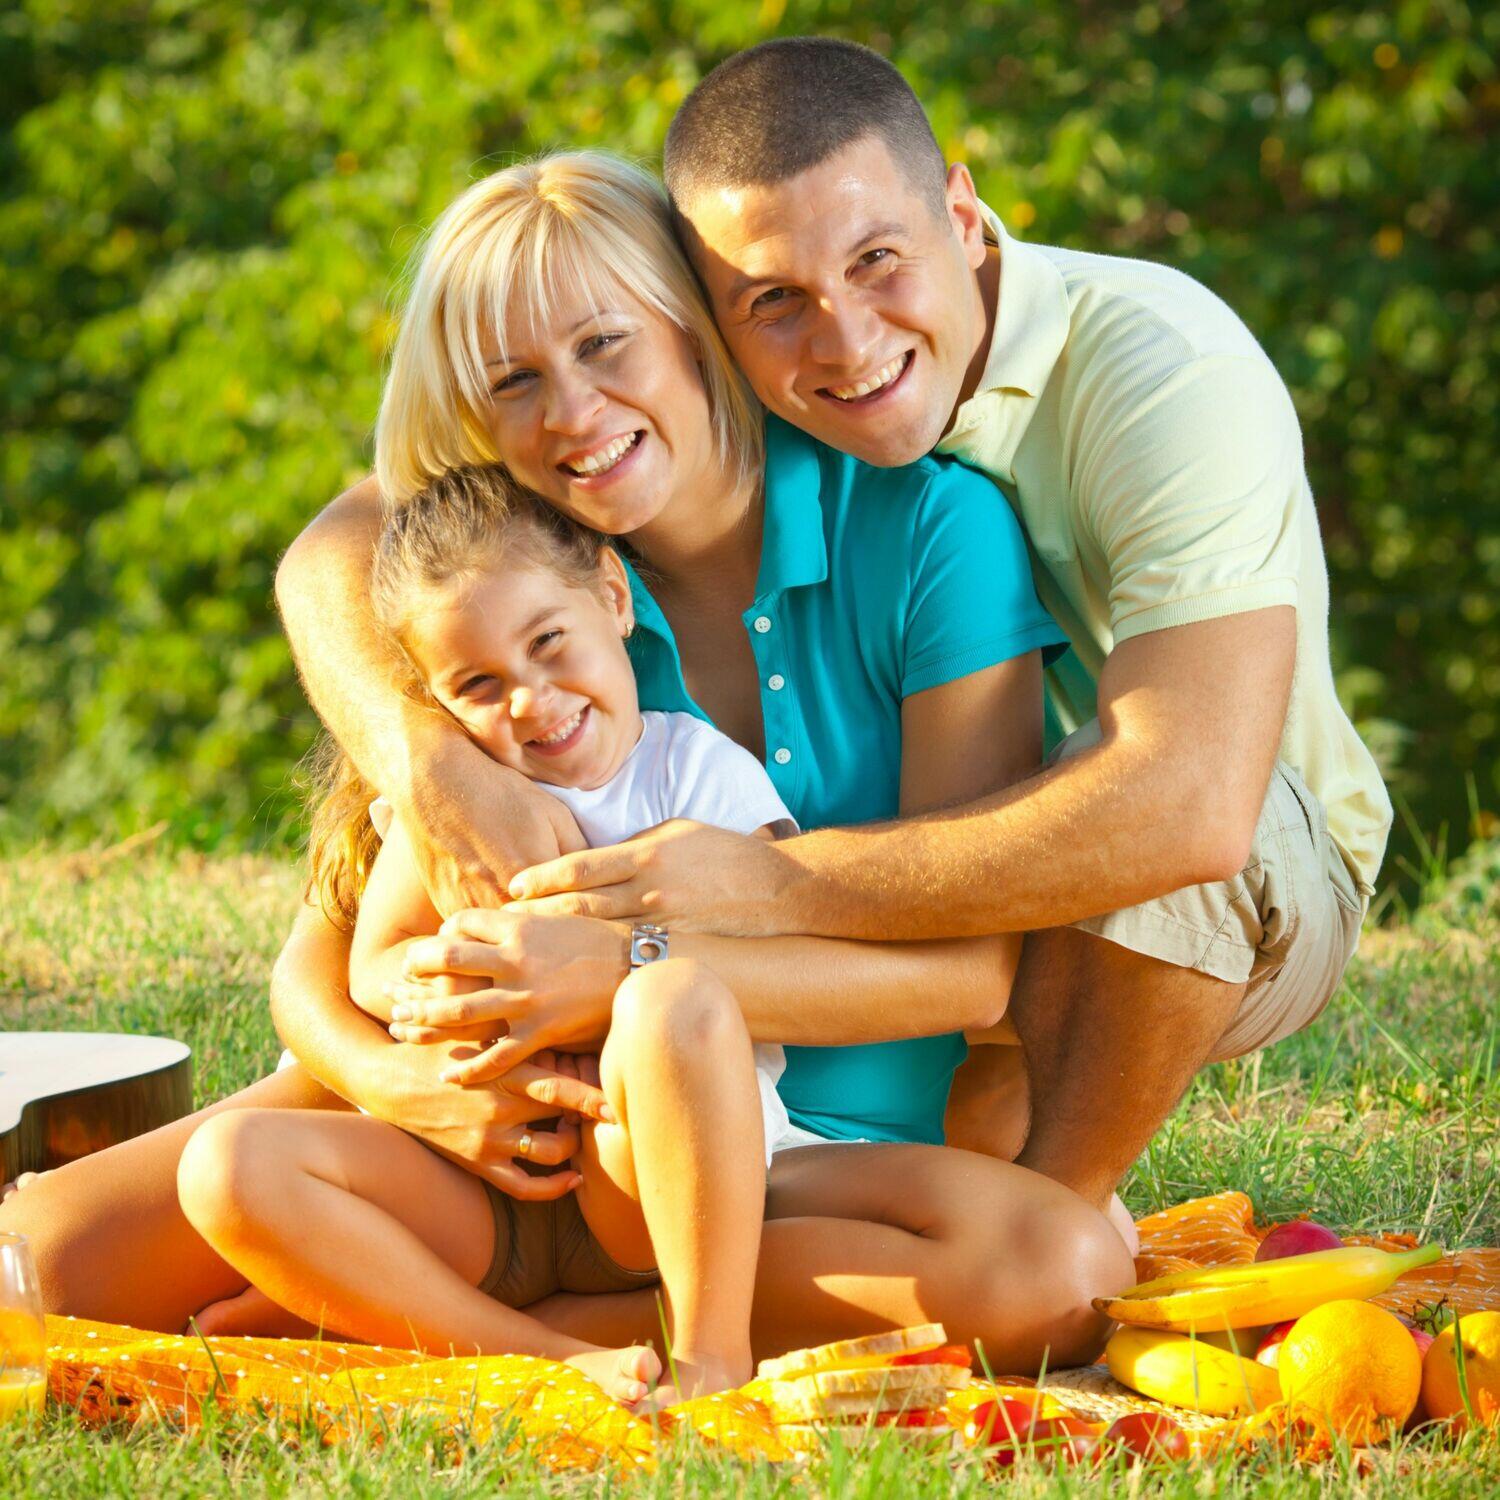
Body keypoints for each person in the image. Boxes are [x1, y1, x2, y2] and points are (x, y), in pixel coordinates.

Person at [3, 150, 1132, 1374]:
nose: (574, 413)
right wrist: (398, 1075)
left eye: (605, 345)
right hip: (493, 1146)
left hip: (796, 1153)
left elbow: (967, 973)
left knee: (1057, 1277)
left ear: (694, 328)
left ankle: (481, 1333)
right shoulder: (516, 595)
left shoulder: (924, 530)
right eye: (516, 381)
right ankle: (455, 1304)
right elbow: (320, 971)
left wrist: (624, 967)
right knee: (40, 1270)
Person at [506, 39, 1393, 1218]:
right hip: (927, 888)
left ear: (964, 218)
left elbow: (1192, 811)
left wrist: (768, 882)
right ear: (714, 323)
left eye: (877, 260)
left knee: (1145, 808)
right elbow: (368, 527)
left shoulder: (1167, 371)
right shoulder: (735, 393)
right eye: (776, 301)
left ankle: (1055, 1226)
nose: (845, 340)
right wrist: (428, 762)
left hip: (1222, 884)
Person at [178, 463, 807, 1403]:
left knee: (674, 998)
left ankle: (710, 1357)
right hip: (478, 1171)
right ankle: (546, 1360)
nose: (529, 701)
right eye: (478, 683)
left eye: (548, 643)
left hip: (641, 1179)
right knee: (225, 1165)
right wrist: (466, 984)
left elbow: (769, 969)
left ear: (613, 597)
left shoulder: (696, 776)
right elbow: (374, 968)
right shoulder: (463, 805)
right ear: (434, 699)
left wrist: (602, 985)